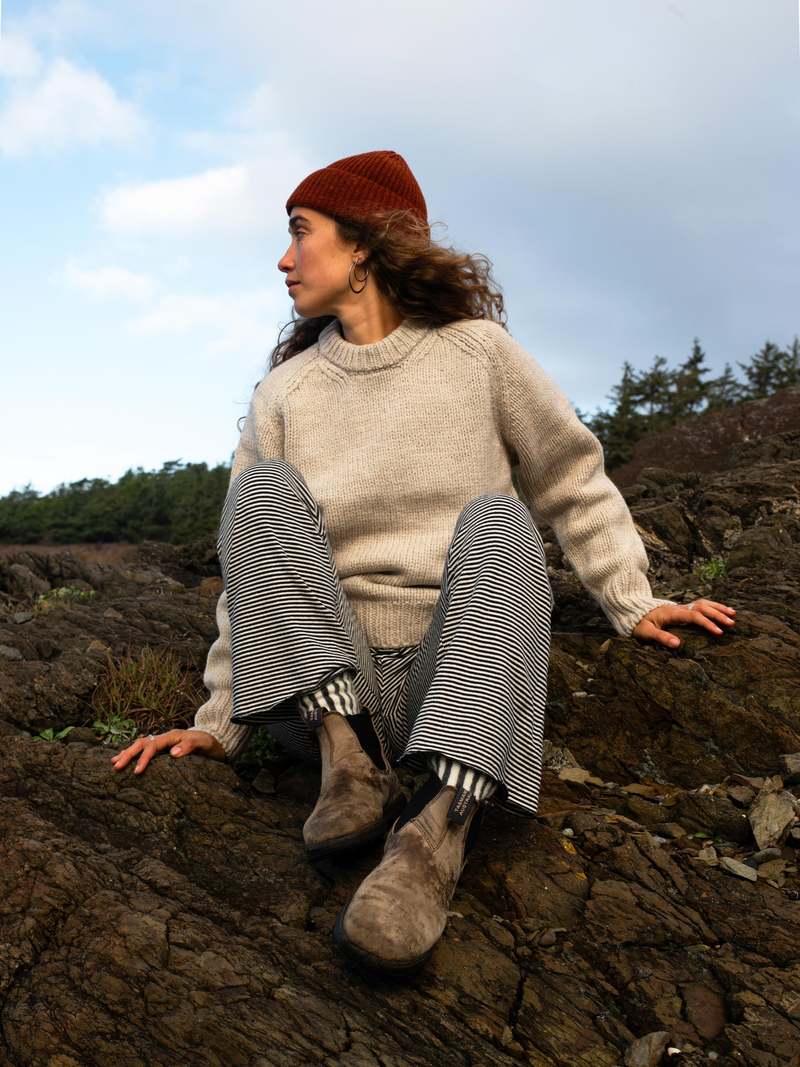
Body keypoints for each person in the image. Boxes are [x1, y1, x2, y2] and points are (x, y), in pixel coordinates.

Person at [111, 149, 736, 974]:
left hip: (456, 681)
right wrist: (217, 722)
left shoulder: (478, 354)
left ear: (362, 245)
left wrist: (633, 598)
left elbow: (572, 477)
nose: (284, 259)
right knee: (257, 494)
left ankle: (433, 835)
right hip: (329, 699)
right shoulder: (285, 393)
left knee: (501, 520)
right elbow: (253, 575)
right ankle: (351, 765)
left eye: (300, 232)